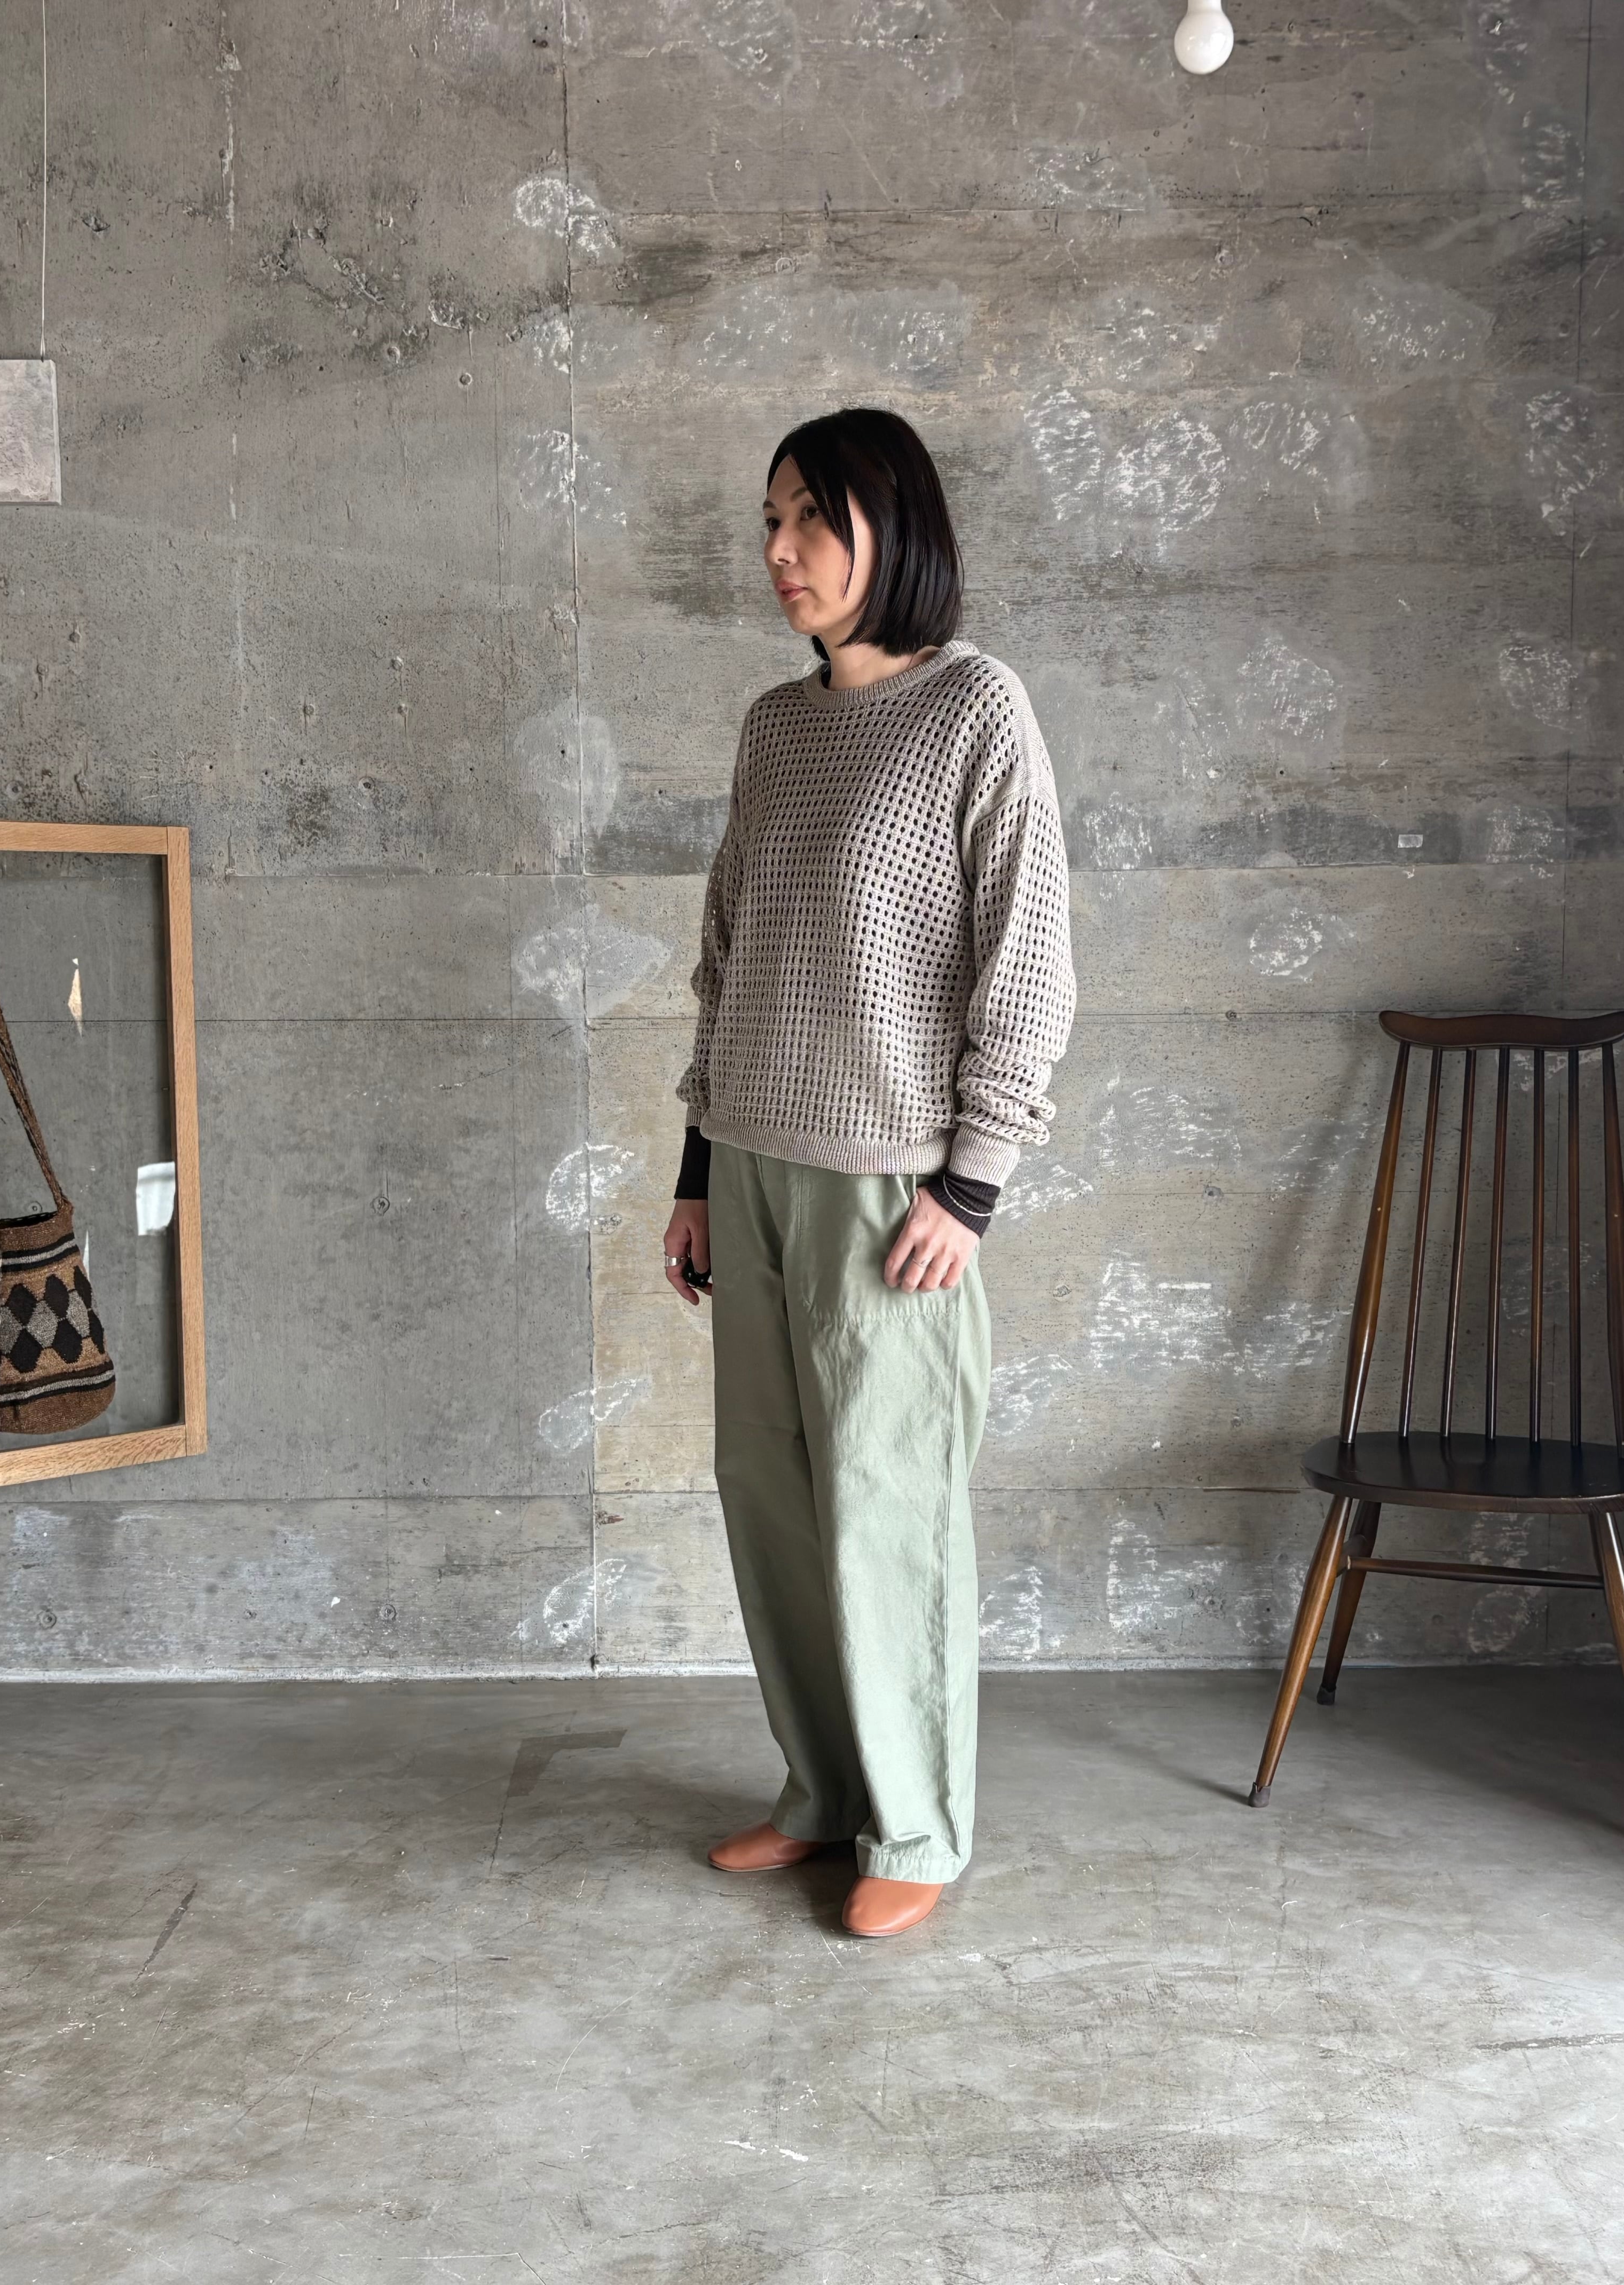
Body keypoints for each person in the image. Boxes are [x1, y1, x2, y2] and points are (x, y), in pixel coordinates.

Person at [662, 405, 1076, 1938]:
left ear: (889, 529)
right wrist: (695, 1168)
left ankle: (915, 1824)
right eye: (770, 519)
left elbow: (1028, 963)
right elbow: (728, 959)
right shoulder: (775, 728)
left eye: (811, 520)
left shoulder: (976, 708)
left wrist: (972, 1186)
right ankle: (824, 1791)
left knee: (887, 1508)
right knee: (769, 1495)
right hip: (751, 1164)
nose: (779, 550)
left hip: (890, 1189)